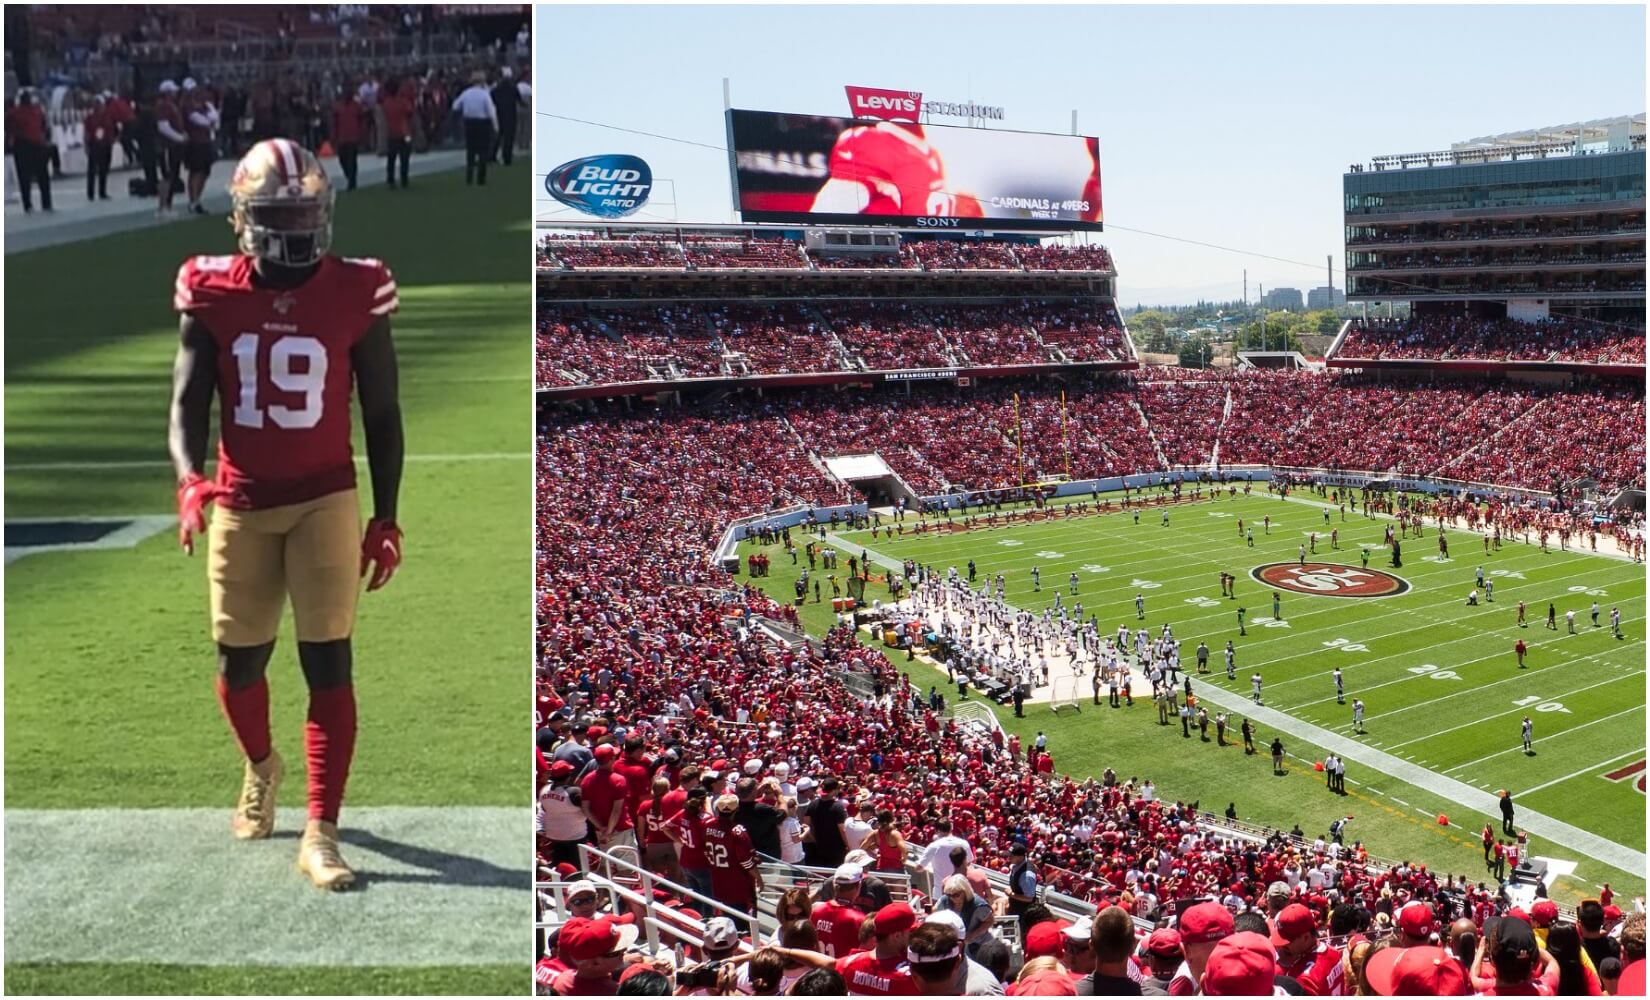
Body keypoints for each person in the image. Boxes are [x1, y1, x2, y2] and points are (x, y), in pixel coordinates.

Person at [168, 139, 403, 891]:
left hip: (325, 494)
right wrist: (187, 479)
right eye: (281, 213)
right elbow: (187, 402)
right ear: (244, 217)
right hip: (241, 496)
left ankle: (322, 831)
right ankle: (263, 766)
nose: (297, 226)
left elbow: (384, 411)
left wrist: (386, 516)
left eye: (305, 211)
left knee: (328, 659)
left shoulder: (359, 286)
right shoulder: (210, 288)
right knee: (239, 665)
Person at [452, 71, 498, 186]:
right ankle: (481, 179)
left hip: (469, 123)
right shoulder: (484, 94)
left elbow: (455, 105)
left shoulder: (466, 93)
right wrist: (495, 125)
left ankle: (469, 177)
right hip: (482, 123)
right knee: (483, 151)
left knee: (471, 151)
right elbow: (491, 111)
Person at [381, 79, 415, 189]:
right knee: (404, 158)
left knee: (391, 158)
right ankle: (404, 179)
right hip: (404, 132)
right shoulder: (403, 101)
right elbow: (410, 112)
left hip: (392, 133)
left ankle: (391, 179)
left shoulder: (386, 103)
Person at [331, 86, 366, 191]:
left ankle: (352, 181)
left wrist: (362, 135)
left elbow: (362, 121)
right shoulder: (338, 107)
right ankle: (349, 176)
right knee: (343, 160)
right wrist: (334, 136)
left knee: (352, 160)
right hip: (342, 137)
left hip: (353, 137)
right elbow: (335, 123)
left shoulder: (356, 106)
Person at [82, 93, 116, 200]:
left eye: (99, 104)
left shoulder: (108, 116)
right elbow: (88, 132)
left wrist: (112, 139)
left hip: (106, 145)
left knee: (104, 169)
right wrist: (87, 145)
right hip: (96, 145)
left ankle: (102, 191)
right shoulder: (91, 118)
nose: (98, 106)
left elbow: (113, 129)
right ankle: (91, 193)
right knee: (92, 170)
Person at [490, 66, 521, 166]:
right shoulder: (513, 88)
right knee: (509, 137)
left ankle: (492, 155)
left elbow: (492, 98)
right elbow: (519, 100)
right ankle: (507, 157)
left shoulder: (496, 89)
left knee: (499, 136)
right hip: (511, 114)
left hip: (500, 113)